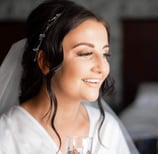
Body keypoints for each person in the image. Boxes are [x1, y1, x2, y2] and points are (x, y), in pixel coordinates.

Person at [0, 0, 139, 153]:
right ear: (46, 62)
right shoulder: (7, 133)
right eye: (86, 53)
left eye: (105, 54)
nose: (102, 67)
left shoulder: (107, 128)